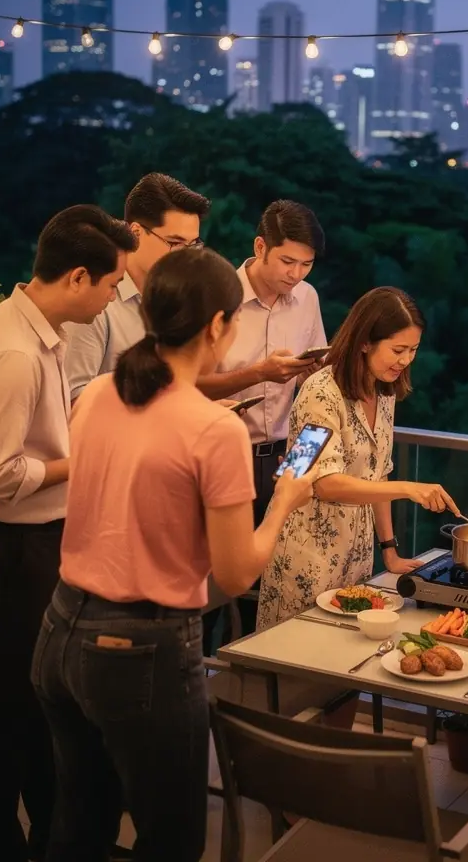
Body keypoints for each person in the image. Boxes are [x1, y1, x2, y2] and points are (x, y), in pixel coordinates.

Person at [32, 247, 313, 862]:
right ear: (216, 326)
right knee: (172, 839)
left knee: (78, 826)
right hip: (140, 649)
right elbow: (235, 573)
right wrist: (283, 503)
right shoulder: (215, 430)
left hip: (59, 630)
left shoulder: (99, 393)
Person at [0, 205, 136, 862]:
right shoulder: (14, 352)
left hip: (32, 542)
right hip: (7, 547)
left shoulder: (38, 331)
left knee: (36, 706)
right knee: (8, 711)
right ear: (78, 276)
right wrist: (81, 463)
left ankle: (50, 840)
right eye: (111, 284)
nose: (113, 297)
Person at [257, 286, 460, 630]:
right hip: (305, 555)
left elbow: (378, 474)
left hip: (356, 556)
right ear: (365, 342)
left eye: (413, 350)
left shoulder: (384, 392)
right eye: (398, 350)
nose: (406, 360)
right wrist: (409, 488)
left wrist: (389, 550)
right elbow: (323, 483)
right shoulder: (319, 392)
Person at [196, 200, 327, 646]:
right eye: (287, 261)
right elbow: (187, 386)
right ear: (259, 247)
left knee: (274, 581)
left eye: (306, 264)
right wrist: (259, 373)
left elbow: (315, 379)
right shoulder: (218, 295)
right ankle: (199, 671)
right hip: (225, 453)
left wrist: (312, 370)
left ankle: (255, 673)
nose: (296, 274)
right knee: (214, 581)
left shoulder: (307, 297)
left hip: (290, 453)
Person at [64, 172, 210, 401]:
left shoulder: (178, 297)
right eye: (175, 243)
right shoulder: (95, 297)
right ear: (135, 233)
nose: (186, 257)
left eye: (193, 245)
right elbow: (74, 399)